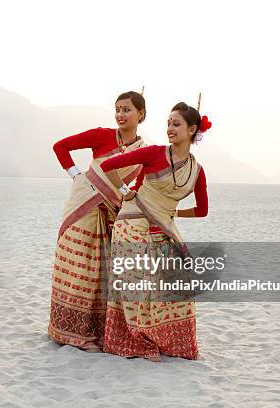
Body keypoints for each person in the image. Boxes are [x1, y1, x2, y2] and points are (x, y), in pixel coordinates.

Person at [99, 101, 212, 360]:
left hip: (163, 225)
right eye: (168, 124)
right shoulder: (153, 153)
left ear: (192, 129)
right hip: (132, 221)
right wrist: (126, 191)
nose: (170, 129)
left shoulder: (197, 171)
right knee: (138, 283)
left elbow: (202, 210)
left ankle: (167, 340)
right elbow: (109, 165)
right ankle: (135, 339)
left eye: (176, 124)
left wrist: (173, 214)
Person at [48, 91, 147, 351]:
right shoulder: (102, 135)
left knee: (101, 272)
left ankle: (96, 331)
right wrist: (77, 176)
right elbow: (60, 146)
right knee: (79, 267)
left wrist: (129, 197)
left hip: (111, 212)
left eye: (126, 109)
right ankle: (67, 331)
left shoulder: (144, 151)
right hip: (83, 207)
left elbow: (140, 182)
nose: (120, 115)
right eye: (117, 109)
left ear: (141, 114)